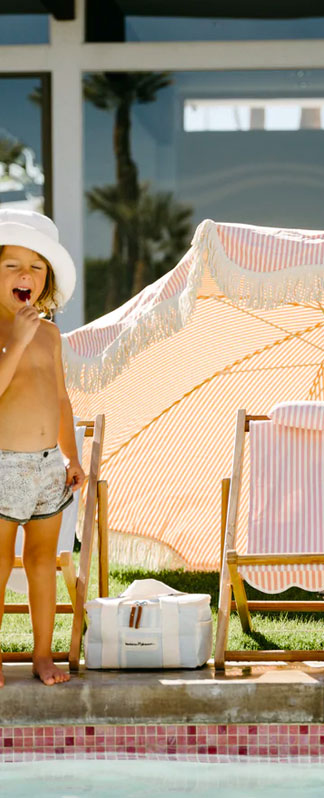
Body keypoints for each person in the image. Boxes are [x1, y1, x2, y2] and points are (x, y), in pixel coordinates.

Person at [0, 209, 83, 686]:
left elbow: (60, 398)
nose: (25, 275)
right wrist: (17, 338)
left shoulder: (50, 334)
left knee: (42, 563)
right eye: (12, 265)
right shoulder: (6, 331)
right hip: (4, 466)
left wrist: (71, 455)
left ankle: (42, 655)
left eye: (35, 266)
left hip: (49, 466)